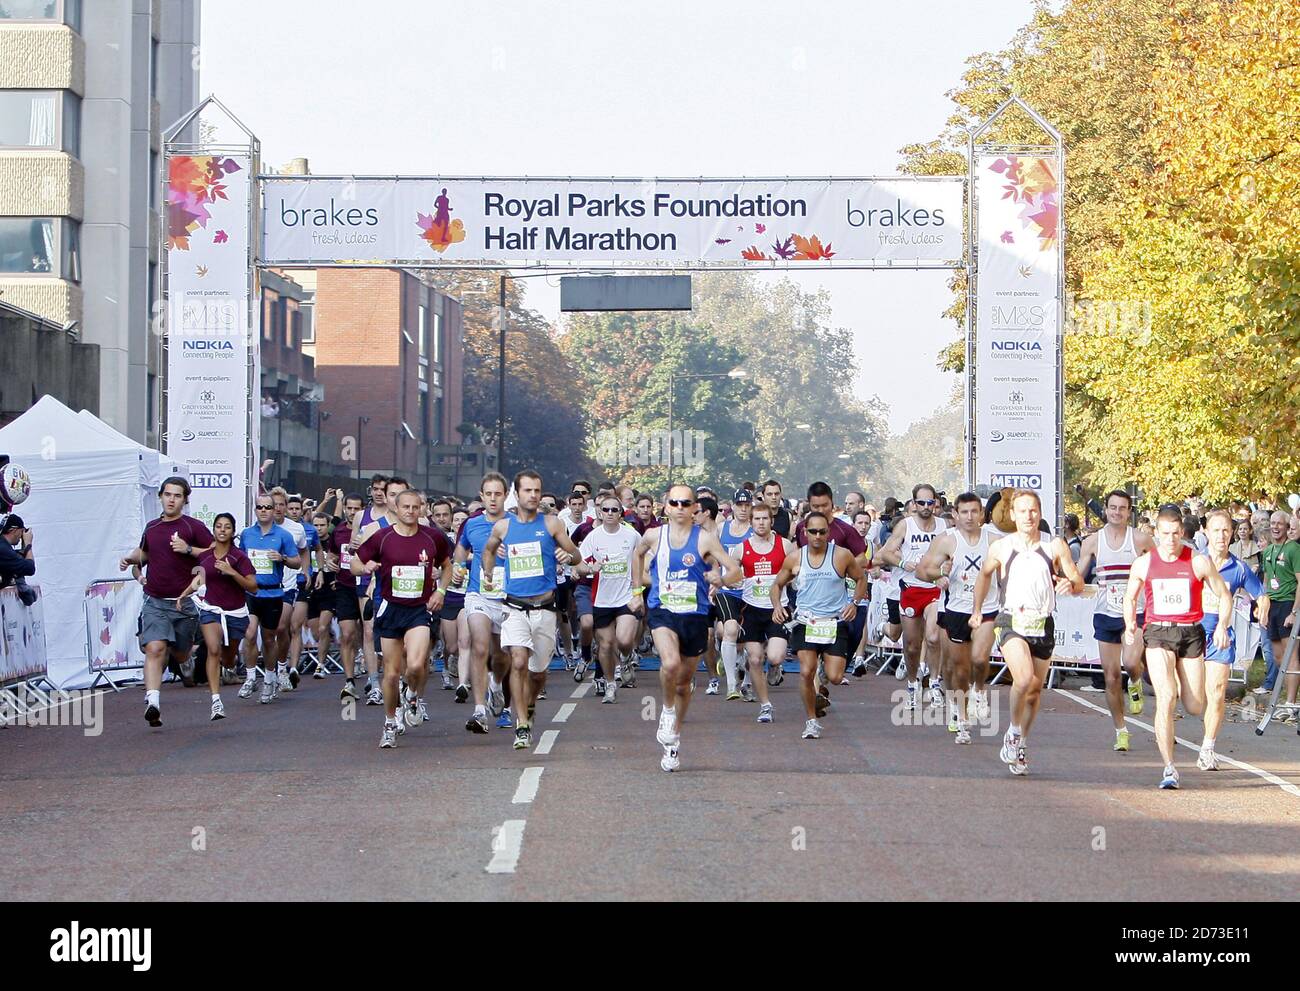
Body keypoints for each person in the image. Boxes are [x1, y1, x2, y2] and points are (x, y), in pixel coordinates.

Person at [970, 489, 1084, 775]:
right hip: (1011, 620)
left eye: (1033, 510)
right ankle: (1012, 731)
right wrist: (977, 609)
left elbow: (1077, 581)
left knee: (1034, 691)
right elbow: (984, 575)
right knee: (1023, 678)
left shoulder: (1055, 546)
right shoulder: (1002, 547)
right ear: (1012, 515)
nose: (1028, 516)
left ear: (1040, 513)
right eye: (1022, 511)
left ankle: (1021, 741)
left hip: (1042, 622)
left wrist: (1070, 585)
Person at [631, 483, 742, 772]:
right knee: (669, 664)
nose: (680, 508)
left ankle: (674, 740)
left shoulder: (705, 539)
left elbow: (736, 570)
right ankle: (666, 712)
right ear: (665, 506)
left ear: (695, 508)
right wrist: (638, 586)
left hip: (695, 614)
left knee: (684, 682)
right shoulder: (654, 535)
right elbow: (637, 554)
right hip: (662, 611)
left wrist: (721, 580)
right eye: (674, 503)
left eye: (686, 503)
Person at [1124, 505, 1232, 789]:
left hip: (1191, 634)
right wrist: (1129, 625)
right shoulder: (1144, 563)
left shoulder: (1198, 562)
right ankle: (1169, 768)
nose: (1170, 540)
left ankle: (1178, 678)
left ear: (1182, 533)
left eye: (1175, 533)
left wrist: (1222, 625)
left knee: (1195, 704)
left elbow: (1224, 595)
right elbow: (1130, 597)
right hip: (1158, 631)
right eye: (1165, 534)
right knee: (1166, 696)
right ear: (1156, 533)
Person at [481, 470, 585, 750]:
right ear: (517, 493)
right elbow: (488, 549)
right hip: (514, 606)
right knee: (517, 661)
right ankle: (522, 724)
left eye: (537, 490)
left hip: (545, 609)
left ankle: (528, 706)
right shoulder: (503, 527)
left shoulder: (551, 524)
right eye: (528, 490)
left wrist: (567, 555)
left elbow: (576, 555)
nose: (534, 495)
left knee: (538, 673)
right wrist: (488, 571)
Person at [353, 489, 452, 748]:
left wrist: (440, 590)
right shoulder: (382, 538)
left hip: (419, 609)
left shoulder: (433, 538)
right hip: (389, 609)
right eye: (405, 507)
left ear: (422, 509)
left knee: (417, 665)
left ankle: (412, 695)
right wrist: (365, 567)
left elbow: (448, 565)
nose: (410, 511)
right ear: (395, 509)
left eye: (415, 507)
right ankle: (389, 722)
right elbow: (354, 562)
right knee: (391, 673)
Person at [118, 478, 215, 728]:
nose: (172, 499)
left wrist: (188, 549)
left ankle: (184, 657)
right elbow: (145, 553)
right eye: (168, 495)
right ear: (160, 496)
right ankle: (153, 703)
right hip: (155, 601)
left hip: (184, 603)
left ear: (185, 500)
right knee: (155, 649)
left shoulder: (192, 526)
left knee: (180, 654)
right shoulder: (151, 527)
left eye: (177, 495)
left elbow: (216, 552)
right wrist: (131, 561)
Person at [770, 511, 867, 739]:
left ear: (828, 532)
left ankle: (824, 676)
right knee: (805, 672)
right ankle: (811, 720)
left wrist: (854, 602)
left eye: (822, 531)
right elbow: (777, 584)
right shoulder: (795, 558)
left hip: (834, 622)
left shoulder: (842, 556)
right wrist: (777, 606)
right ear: (804, 532)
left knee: (835, 676)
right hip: (806, 621)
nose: (817, 536)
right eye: (812, 531)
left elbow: (861, 578)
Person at [917, 492, 1001, 744]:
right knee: (958, 668)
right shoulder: (947, 540)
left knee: (979, 657)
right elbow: (923, 570)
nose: (969, 517)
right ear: (954, 515)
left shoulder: (995, 541)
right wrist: (937, 575)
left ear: (982, 514)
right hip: (955, 609)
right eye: (964, 512)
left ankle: (980, 690)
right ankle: (962, 717)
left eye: (974, 511)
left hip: (987, 607)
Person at [1075, 490, 1154, 752]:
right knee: (1110, 677)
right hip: (1105, 611)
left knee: (1131, 662)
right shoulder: (1093, 542)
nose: (1117, 512)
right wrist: (1065, 578)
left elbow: (1159, 566)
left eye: (1122, 508)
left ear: (1129, 512)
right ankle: (1121, 730)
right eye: (1112, 507)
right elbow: (1078, 575)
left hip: (1135, 611)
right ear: (1106, 510)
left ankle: (1135, 681)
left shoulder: (1141, 539)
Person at [1198, 509, 1269, 768]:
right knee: (1193, 696)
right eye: (1216, 530)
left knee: (1217, 693)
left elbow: (1260, 593)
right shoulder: (1194, 562)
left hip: (1220, 637)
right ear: (1206, 531)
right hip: (1191, 636)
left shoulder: (1237, 567)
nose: (1221, 536)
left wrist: (1262, 605)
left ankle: (1208, 748)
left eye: (1226, 530)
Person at [176, 512, 258, 720]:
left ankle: (230, 666)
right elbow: (199, 581)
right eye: (219, 526)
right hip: (211, 609)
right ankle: (215, 701)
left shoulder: (239, 557)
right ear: (213, 530)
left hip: (235, 612)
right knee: (213, 649)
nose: (222, 530)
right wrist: (183, 595)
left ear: (233, 531)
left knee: (228, 656)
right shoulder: (205, 556)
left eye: (227, 527)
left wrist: (232, 572)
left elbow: (253, 587)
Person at [875, 483, 947, 712]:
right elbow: (884, 552)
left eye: (930, 502)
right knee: (912, 645)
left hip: (935, 588)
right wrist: (904, 563)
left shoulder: (944, 526)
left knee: (934, 637)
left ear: (936, 503)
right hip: (911, 589)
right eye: (921, 502)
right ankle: (913, 683)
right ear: (914, 504)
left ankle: (935, 682)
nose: (926, 507)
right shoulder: (906, 526)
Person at [456, 473, 512, 734]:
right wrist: (458, 567)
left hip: (507, 597)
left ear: (505, 495)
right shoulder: (472, 524)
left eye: (497, 493)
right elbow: (460, 549)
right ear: (481, 496)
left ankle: (497, 684)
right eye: (488, 494)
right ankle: (479, 711)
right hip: (478, 593)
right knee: (479, 646)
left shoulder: (516, 523)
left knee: (501, 654)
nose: (492, 498)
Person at [234, 495, 301, 704]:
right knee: (250, 633)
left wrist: (282, 558)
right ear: (255, 510)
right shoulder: (246, 534)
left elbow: (297, 562)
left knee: (270, 638)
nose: (263, 510)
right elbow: (239, 559)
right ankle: (251, 676)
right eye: (259, 507)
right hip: (252, 591)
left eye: (267, 507)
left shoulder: (283, 535)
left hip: (273, 593)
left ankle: (270, 678)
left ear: (274, 511)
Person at [578, 494, 644, 703]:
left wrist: (638, 590)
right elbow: (577, 564)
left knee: (624, 640)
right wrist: (589, 568)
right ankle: (610, 684)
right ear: (599, 512)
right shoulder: (593, 537)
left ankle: (625, 658)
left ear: (620, 513)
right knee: (605, 646)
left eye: (614, 510)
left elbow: (642, 559)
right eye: (605, 510)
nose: (609, 514)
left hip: (626, 598)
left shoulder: (631, 535)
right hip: (602, 600)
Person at [738, 502, 794, 721]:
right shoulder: (742, 548)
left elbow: (798, 569)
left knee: (776, 656)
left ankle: (775, 667)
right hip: (751, 609)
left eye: (765, 519)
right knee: (754, 659)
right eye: (757, 519)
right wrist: (730, 579)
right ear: (751, 522)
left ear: (772, 521)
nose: (761, 523)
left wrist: (794, 577)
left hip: (777, 609)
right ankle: (766, 706)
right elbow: (731, 570)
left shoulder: (785, 545)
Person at [1256, 511, 1300, 714]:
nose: (1275, 527)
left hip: (1288, 604)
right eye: (1272, 523)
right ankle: (1284, 699)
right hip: (1272, 604)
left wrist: (1294, 611)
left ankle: (1291, 703)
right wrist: (1263, 608)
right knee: (1277, 656)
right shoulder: (1267, 551)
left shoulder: (1293, 549)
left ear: (1286, 526)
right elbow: (1265, 582)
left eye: (1279, 524)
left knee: (1291, 656)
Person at [714, 488, 754, 700]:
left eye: (747, 505)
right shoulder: (722, 529)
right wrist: (715, 578)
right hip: (726, 590)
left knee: (751, 641)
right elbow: (713, 557)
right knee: (729, 629)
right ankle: (731, 685)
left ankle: (746, 680)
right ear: (733, 505)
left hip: (750, 590)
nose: (743, 509)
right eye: (740, 505)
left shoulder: (756, 529)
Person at [328, 494, 366, 702]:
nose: (352, 512)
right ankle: (349, 680)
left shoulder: (368, 530)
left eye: (356, 508)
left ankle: (372, 676)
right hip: (344, 586)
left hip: (365, 586)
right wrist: (331, 563)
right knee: (347, 633)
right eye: (349, 508)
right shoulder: (339, 531)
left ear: (362, 510)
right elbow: (332, 554)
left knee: (367, 633)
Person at [0, 514, 35, 587]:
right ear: (14, 530)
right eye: (22, 531)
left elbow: (17, 560)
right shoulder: (3, 549)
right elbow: (30, 568)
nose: (22, 535)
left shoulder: (3, 546)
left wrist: (24, 548)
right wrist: (28, 544)